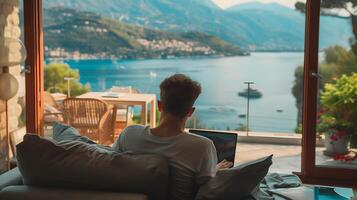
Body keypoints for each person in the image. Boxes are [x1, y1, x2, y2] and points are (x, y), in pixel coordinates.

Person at [113, 74, 232, 200]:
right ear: (190, 112)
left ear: (159, 105)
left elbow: (110, 162)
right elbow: (207, 186)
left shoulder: (129, 134)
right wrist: (215, 170)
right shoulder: (202, 146)